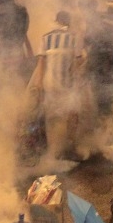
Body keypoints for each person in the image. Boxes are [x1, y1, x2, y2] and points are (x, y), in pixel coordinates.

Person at [30, 11, 85, 160]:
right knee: (73, 114)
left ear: (56, 21)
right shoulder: (75, 37)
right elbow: (77, 63)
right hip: (66, 83)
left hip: (49, 84)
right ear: (69, 22)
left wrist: (39, 85)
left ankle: (52, 152)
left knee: (51, 117)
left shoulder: (45, 37)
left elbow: (41, 64)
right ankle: (70, 148)